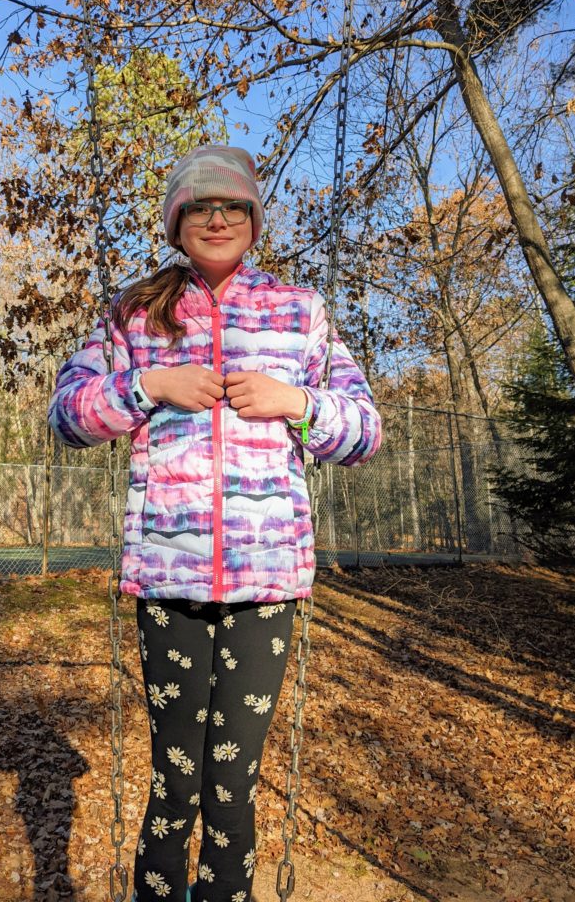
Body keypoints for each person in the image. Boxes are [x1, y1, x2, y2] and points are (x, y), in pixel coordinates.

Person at [48, 145, 382, 902]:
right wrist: (149, 385)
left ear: (255, 220)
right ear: (177, 224)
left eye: (233, 205)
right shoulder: (137, 313)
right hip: (170, 581)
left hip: (266, 587)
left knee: (232, 784)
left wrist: (296, 403)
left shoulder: (299, 313)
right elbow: (66, 416)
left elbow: (365, 432)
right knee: (175, 780)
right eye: (200, 207)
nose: (218, 218)